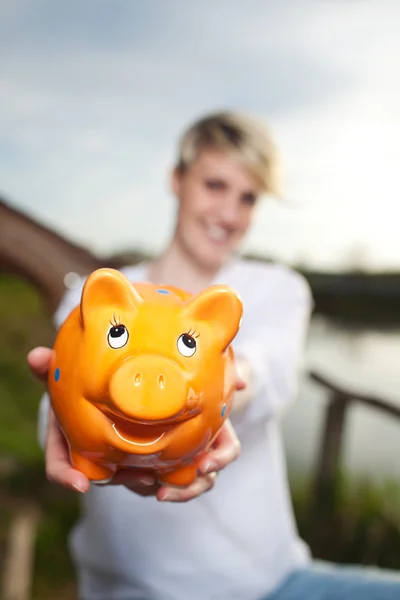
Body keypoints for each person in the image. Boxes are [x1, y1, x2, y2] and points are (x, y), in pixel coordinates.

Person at [28, 111, 400, 600]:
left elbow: (267, 372)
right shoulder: (94, 297)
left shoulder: (277, 289)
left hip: (271, 582)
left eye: (248, 197)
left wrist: (220, 389)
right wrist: (59, 421)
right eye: (215, 185)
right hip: (136, 588)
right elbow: (62, 392)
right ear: (177, 180)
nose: (229, 213)